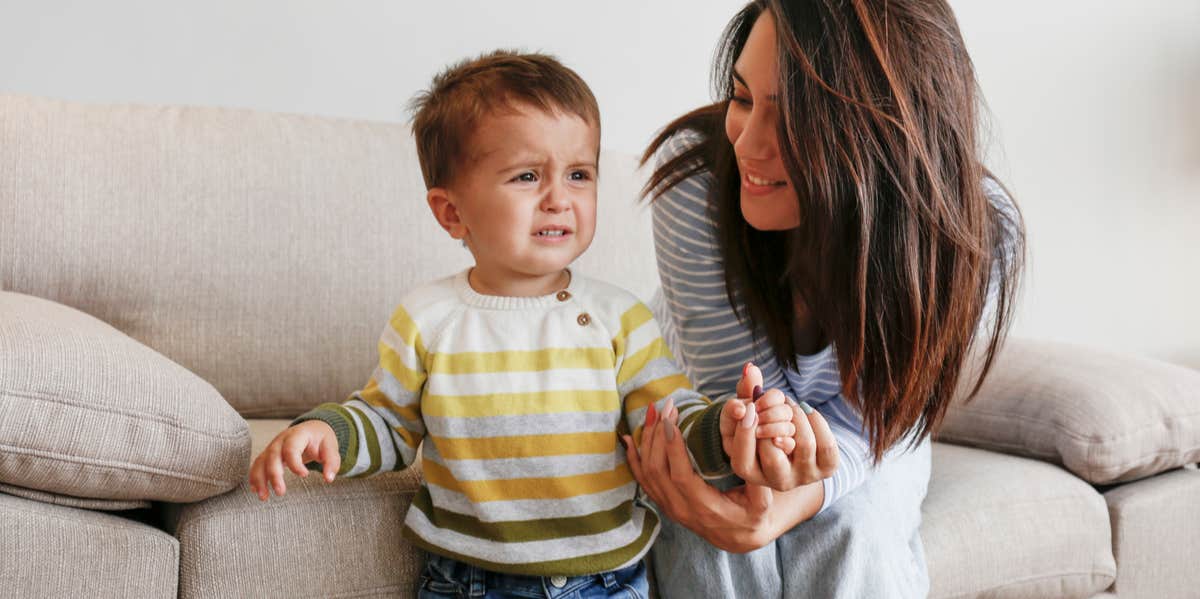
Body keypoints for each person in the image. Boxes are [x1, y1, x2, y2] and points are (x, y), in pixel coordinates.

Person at [245, 50, 796, 598]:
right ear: (451, 212)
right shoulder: (428, 318)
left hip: (603, 580)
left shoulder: (619, 319)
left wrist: (727, 428)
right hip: (468, 582)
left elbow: (667, 425)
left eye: (579, 174)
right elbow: (388, 422)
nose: (559, 199)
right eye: (528, 176)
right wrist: (326, 431)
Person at [625, 1, 1025, 597]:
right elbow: (741, 415)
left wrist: (791, 508)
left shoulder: (973, 242)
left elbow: (876, 423)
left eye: (792, 119)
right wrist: (755, 509)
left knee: (856, 524)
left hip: (871, 432)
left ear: (885, 130)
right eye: (742, 99)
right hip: (703, 408)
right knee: (712, 529)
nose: (748, 144)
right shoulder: (694, 182)